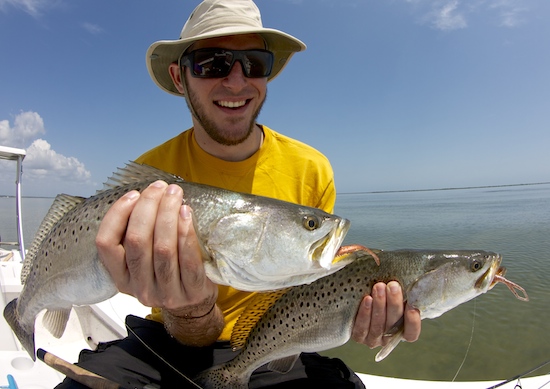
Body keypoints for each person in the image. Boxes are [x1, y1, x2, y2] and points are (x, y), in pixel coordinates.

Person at [56, 1, 421, 388]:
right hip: (166, 339)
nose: (236, 81)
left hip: (273, 343)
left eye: (255, 63)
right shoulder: (149, 182)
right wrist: (189, 310)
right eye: (212, 63)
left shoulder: (312, 169)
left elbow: (307, 295)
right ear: (180, 78)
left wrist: (361, 314)